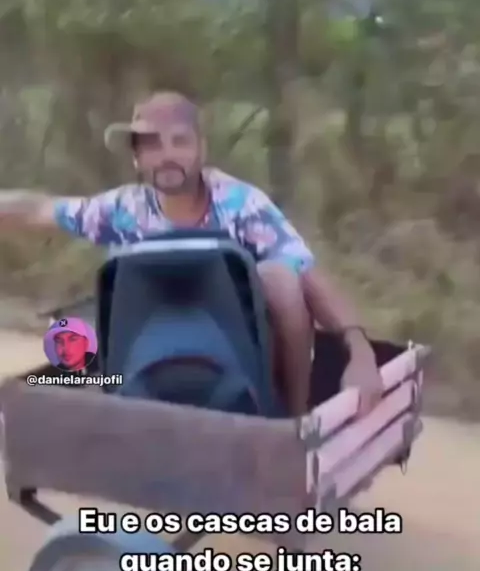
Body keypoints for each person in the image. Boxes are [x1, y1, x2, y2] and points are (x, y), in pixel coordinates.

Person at [0, 91, 382, 416]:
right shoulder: (123, 210)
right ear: (136, 158)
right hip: (151, 356)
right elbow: (39, 209)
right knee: (93, 306)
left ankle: (290, 417)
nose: (166, 155)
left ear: (201, 148)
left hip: (238, 353)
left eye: (179, 141)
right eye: (151, 144)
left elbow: (306, 272)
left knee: (282, 278)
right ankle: (125, 417)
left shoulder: (240, 205)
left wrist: (361, 354)